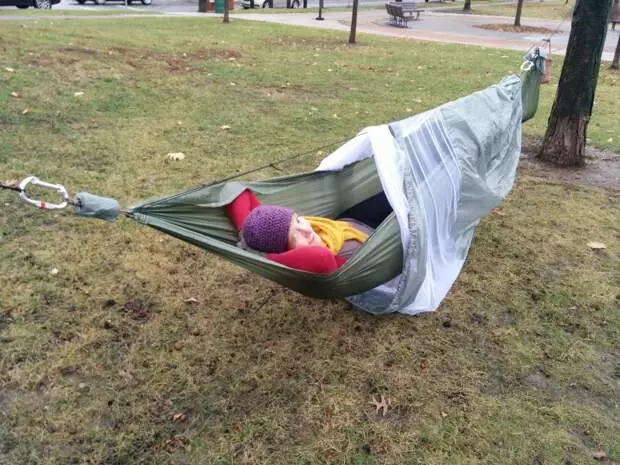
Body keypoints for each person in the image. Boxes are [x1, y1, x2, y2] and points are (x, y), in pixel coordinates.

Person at [226, 189, 389, 274]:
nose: (306, 230)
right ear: (285, 252)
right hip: (383, 240)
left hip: (351, 221)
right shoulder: (326, 263)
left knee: (397, 189)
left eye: (298, 219)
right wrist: (264, 258)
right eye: (295, 235)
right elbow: (321, 257)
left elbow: (238, 193)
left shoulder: (269, 234)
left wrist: (244, 231)